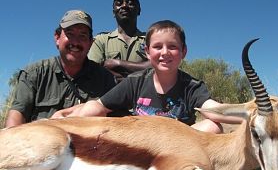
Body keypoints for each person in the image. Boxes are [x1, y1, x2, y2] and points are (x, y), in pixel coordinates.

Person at [53, 20, 242, 132]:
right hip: (143, 149)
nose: (165, 52)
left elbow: (214, 110)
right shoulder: (136, 82)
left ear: (184, 51)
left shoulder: (192, 86)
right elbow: (99, 105)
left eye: (173, 47)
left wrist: (252, 113)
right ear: (147, 51)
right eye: (158, 47)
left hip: (180, 148)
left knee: (213, 127)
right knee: (93, 114)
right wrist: (67, 115)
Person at [5, 10, 116, 128]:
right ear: (57, 38)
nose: (75, 42)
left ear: (90, 43)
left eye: (82, 36)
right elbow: (17, 115)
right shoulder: (34, 73)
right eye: (70, 34)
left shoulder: (106, 79)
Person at [88, 0, 150, 82]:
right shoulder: (101, 40)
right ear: (113, 12)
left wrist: (117, 63)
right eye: (119, 3)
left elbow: (157, 66)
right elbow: (92, 69)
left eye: (130, 3)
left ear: (139, 10)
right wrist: (139, 72)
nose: (124, 5)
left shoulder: (150, 39)